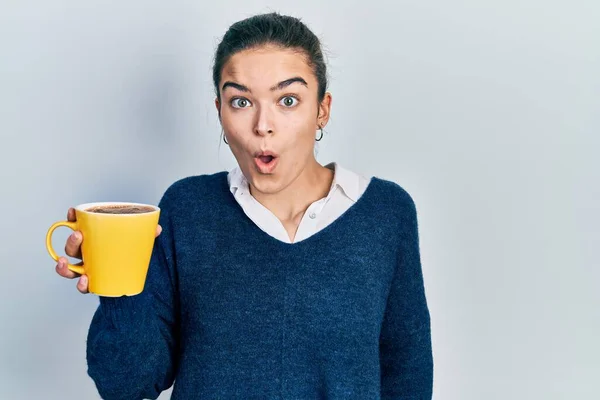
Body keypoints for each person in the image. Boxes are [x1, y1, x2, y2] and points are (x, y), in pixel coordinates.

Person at [55, 12, 433, 400]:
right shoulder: (186, 210)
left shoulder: (385, 213)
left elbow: (408, 378)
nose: (262, 125)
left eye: (288, 100)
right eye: (241, 101)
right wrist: (117, 279)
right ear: (219, 110)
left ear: (322, 108)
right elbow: (127, 385)